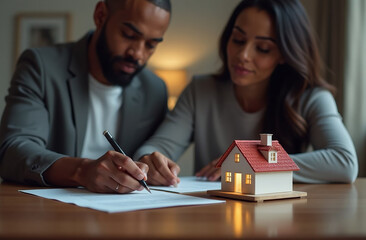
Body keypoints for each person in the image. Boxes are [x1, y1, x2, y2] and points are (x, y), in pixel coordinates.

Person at [134, 0, 358, 186]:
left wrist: (252, 165)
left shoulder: (312, 98)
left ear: (284, 54)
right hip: (210, 216)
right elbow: (154, 148)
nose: (243, 55)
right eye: (238, 40)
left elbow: (345, 163)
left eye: (263, 48)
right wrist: (149, 161)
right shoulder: (200, 91)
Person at [0, 0, 171, 193]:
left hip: (125, 216)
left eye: (151, 45)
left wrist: (154, 165)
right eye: (129, 35)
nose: (138, 54)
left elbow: (152, 151)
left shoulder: (155, 89)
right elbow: (12, 151)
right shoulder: (40, 67)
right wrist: (82, 171)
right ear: (100, 15)